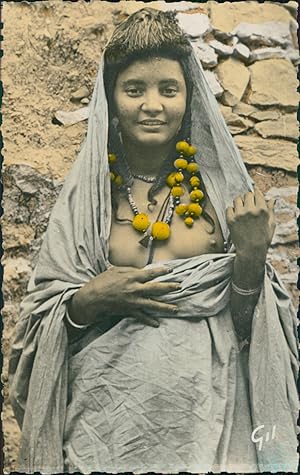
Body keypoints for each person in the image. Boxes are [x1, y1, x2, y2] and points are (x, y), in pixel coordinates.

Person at [8, 8, 298, 474]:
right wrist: (85, 301)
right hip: (103, 430)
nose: (153, 104)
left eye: (169, 89)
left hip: (210, 422)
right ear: (112, 98)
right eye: (134, 89)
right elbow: (40, 323)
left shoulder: (224, 195)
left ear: (189, 98)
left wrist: (250, 256)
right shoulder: (89, 199)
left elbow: (252, 332)